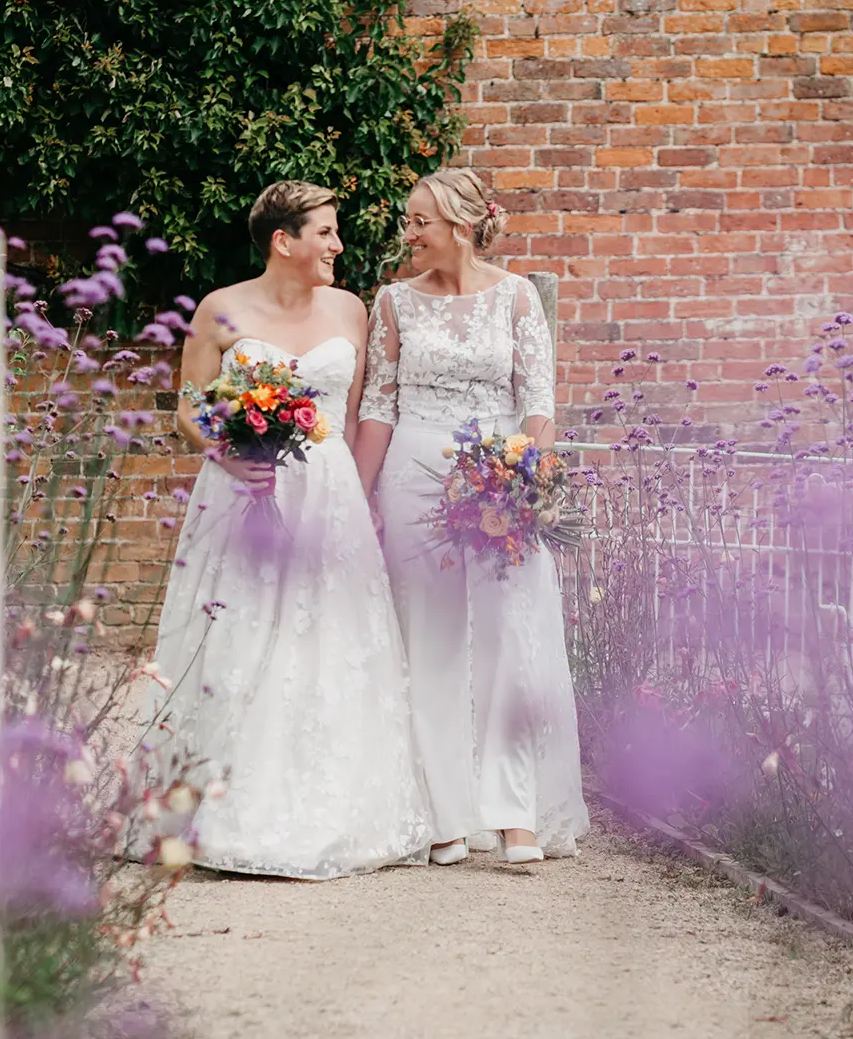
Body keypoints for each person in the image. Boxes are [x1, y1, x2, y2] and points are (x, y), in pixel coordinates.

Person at [143, 180, 430, 878]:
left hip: (328, 494)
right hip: (245, 493)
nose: (338, 245)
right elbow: (189, 409)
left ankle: (329, 808)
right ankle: (221, 805)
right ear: (284, 240)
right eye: (326, 232)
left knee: (328, 643)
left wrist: (368, 496)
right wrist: (228, 450)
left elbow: (360, 411)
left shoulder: (350, 309)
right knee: (238, 638)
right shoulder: (222, 309)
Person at [354, 167, 588, 866]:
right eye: (409, 220)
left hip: (497, 472)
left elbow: (539, 400)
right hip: (414, 476)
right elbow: (378, 406)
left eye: (419, 220)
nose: (409, 233)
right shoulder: (393, 302)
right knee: (428, 640)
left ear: (459, 223)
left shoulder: (518, 298)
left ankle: (516, 812)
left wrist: (519, 474)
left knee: (509, 637)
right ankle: (445, 815)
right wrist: (356, 497)